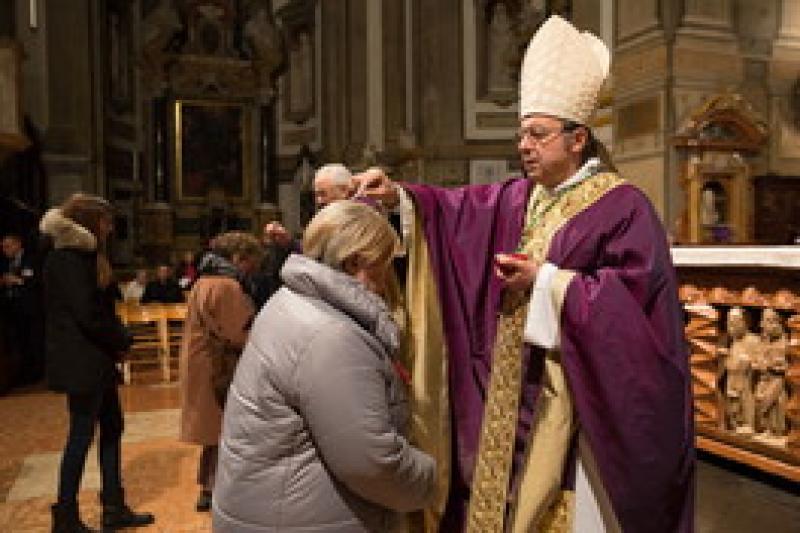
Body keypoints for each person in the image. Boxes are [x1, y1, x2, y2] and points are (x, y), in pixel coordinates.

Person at [357, 15, 694, 533]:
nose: (524, 146)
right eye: (522, 134)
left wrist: (549, 282)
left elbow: (638, 314)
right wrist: (398, 195)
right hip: (505, 394)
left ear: (578, 139)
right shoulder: (522, 197)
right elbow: (455, 211)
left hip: (571, 406)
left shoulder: (623, 208)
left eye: (538, 134)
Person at [213, 201, 435, 532]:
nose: (389, 277)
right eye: (384, 264)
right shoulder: (331, 335)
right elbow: (370, 463)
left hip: (275, 508)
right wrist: (434, 479)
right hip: (299, 518)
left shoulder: (289, 301)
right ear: (356, 262)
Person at [40, 193, 154, 533]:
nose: (109, 227)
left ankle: (114, 508)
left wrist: (116, 342)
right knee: (80, 436)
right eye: (105, 220)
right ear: (90, 221)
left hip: (96, 360)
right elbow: (89, 314)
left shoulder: (84, 256)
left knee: (112, 428)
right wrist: (121, 340)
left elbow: (100, 310)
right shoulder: (67, 259)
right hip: (83, 363)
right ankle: (65, 517)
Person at [179, 231, 263, 512]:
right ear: (239, 258)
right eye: (251, 262)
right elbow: (238, 333)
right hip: (219, 367)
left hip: (204, 363)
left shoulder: (204, 280)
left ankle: (209, 487)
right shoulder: (227, 285)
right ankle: (218, 490)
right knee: (225, 429)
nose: (253, 268)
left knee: (216, 430)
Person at [1, 233, 44, 385]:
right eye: (3, 247)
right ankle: (24, 373)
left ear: (18, 244)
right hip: (14, 308)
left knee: (34, 341)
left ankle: (37, 374)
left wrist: (17, 281)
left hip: (31, 308)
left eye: (8, 246)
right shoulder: (6, 263)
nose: (5, 250)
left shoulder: (31, 259)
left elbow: (35, 281)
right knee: (21, 342)